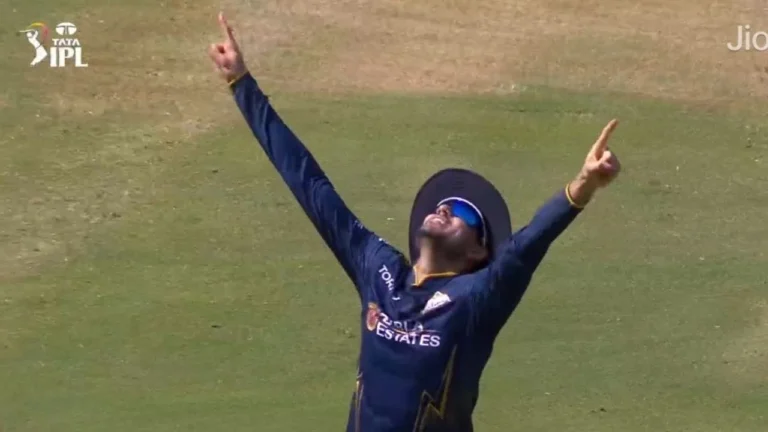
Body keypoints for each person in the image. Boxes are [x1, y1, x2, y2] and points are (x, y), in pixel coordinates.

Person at [208, 12, 621, 432]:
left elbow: (527, 245)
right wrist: (243, 86)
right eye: (442, 205)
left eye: (460, 213)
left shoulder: (477, 298)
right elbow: (310, 185)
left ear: (478, 250)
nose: (444, 209)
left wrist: (583, 184)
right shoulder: (379, 270)